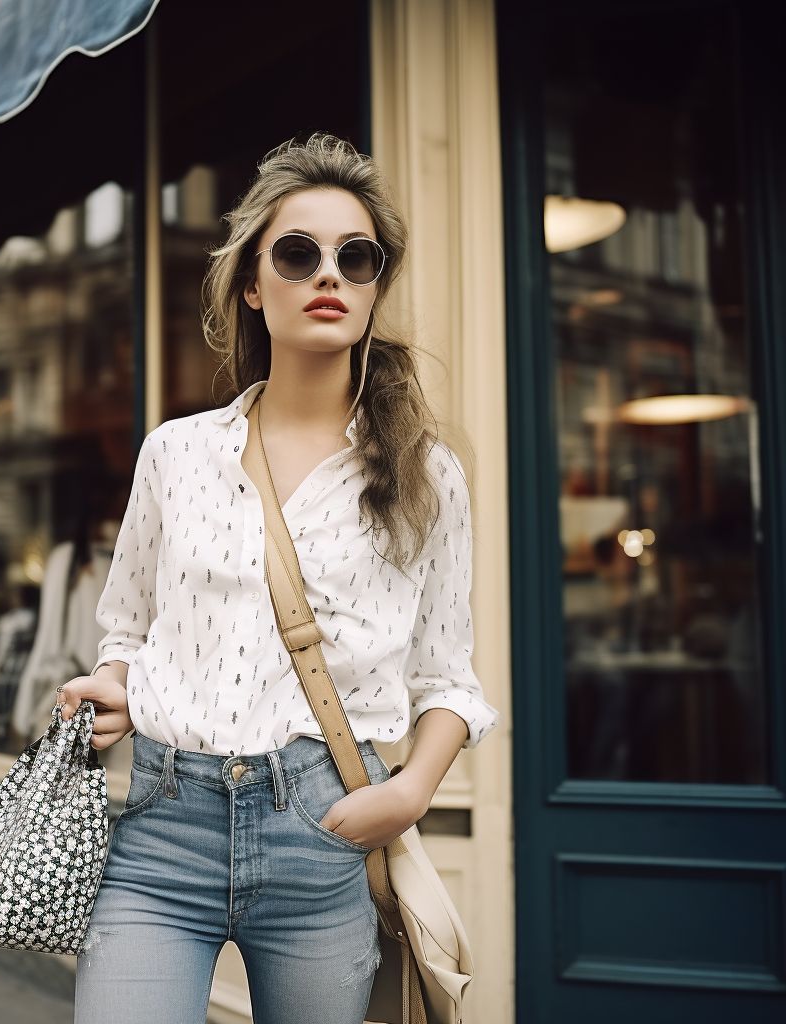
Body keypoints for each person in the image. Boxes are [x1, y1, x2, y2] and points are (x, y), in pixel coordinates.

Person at [56, 132, 501, 1024]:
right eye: (299, 254)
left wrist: (407, 795)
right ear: (255, 286)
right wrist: (112, 689)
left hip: (324, 832)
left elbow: (448, 678)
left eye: (356, 257)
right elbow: (130, 631)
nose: (328, 274)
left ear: (375, 288)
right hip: (162, 829)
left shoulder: (425, 473)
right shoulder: (175, 454)